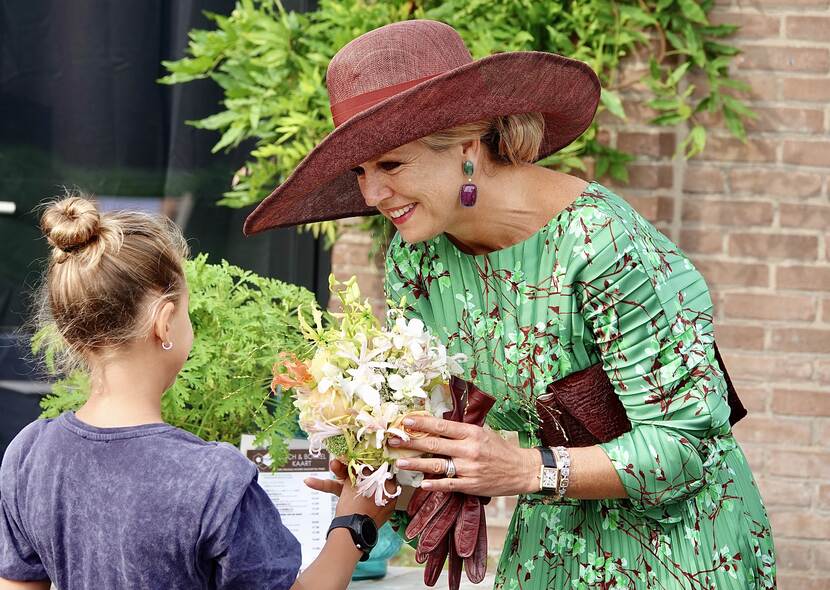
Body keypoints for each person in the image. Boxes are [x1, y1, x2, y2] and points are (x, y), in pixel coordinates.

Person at [243, 19, 777, 590]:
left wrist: (526, 467)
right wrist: (376, 496)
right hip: (549, 548)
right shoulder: (416, 261)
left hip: (682, 549)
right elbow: (438, 431)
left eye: (390, 165)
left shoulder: (603, 247)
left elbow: (683, 447)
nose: (371, 195)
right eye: (360, 171)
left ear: (467, 147)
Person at [0, 194, 394, 590]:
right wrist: (353, 522)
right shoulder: (214, 480)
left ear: (69, 333)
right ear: (165, 323)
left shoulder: (29, 456)